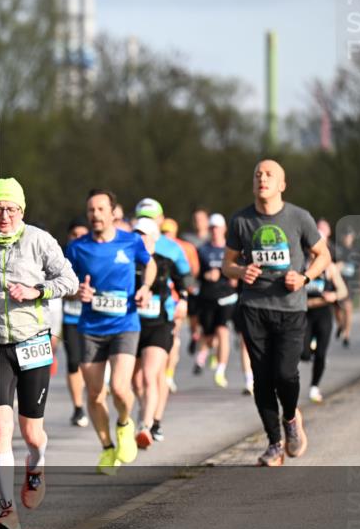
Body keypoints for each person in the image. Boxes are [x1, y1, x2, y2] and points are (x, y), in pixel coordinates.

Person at [0, 178, 78, 529]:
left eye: (11, 208)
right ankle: (6, 509)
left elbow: (69, 280)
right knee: (0, 428)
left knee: (32, 433)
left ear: (22, 211)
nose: (4, 215)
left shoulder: (39, 240)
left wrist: (37, 291)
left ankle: (37, 464)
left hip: (33, 342)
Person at [222, 159, 331, 466]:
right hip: (254, 307)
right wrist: (241, 271)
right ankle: (274, 443)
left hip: (290, 307)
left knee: (285, 373)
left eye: (270, 174)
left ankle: (292, 419)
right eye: (257, 174)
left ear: (282, 184)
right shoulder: (241, 220)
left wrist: (306, 277)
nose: (262, 178)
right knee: (262, 378)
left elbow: (323, 255)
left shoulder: (299, 218)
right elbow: (226, 264)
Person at [66, 189, 155, 475]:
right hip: (90, 328)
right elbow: (64, 286)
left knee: (119, 387)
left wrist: (144, 287)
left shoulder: (130, 241)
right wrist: (77, 292)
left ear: (113, 212)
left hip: (124, 325)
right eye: (91, 210)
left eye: (101, 209)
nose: (95, 215)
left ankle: (124, 423)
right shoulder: (78, 248)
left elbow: (149, 264)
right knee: (94, 394)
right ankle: (107, 449)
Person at [131, 217, 188, 448]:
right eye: (137, 234)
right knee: (135, 382)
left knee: (149, 374)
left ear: (154, 237)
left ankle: (146, 425)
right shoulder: (129, 261)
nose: (140, 238)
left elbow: (183, 282)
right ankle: (147, 411)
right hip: (133, 326)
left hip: (160, 324)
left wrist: (183, 300)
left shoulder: (166, 261)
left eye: (144, 234)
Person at [195, 213, 238, 389]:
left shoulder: (231, 249)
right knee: (208, 335)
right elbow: (195, 273)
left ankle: (220, 370)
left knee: (222, 331)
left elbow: (237, 272)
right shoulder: (202, 250)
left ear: (224, 229)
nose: (214, 231)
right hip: (207, 297)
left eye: (217, 227)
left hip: (227, 297)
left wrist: (231, 276)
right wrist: (205, 275)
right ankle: (207, 353)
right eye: (212, 228)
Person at [301, 257, 348, 402]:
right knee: (303, 353)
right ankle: (311, 351)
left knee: (321, 353)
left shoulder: (329, 267)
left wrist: (334, 295)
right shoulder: (301, 264)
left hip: (323, 313)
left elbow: (343, 291)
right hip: (305, 313)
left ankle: (314, 387)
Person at [63, 217, 91, 427]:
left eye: (83, 234)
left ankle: (96, 396)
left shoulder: (96, 254)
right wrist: (75, 293)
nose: (79, 238)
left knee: (90, 364)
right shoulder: (64, 258)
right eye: (75, 235)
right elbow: (58, 288)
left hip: (94, 318)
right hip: (71, 317)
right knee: (74, 362)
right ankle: (78, 408)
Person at [334, 227, 360, 348]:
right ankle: (340, 325)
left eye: (349, 236)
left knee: (348, 308)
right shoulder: (337, 250)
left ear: (352, 237)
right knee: (338, 310)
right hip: (339, 283)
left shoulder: (356, 252)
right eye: (345, 236)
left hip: (351, 283)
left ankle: (347, 335)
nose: (347, 238)